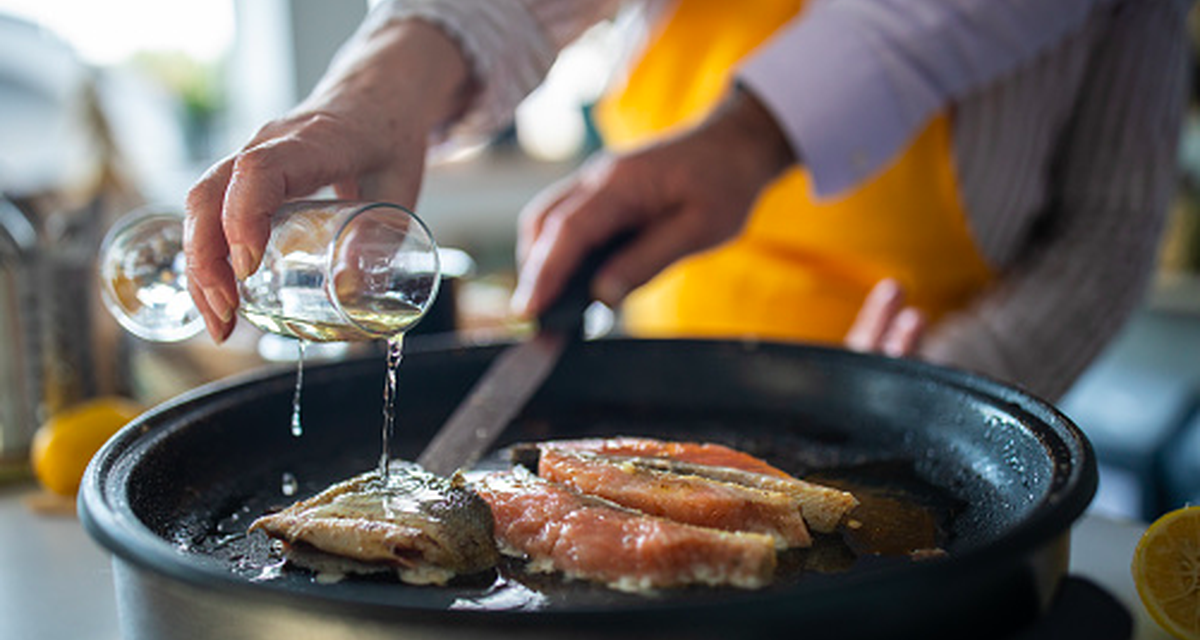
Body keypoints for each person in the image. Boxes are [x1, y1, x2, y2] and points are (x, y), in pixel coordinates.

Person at [184, 0, 1190, 401]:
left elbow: (1110, 226)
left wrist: (954, 396)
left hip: (915, 403)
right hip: (646, 401)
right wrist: (376, 92)